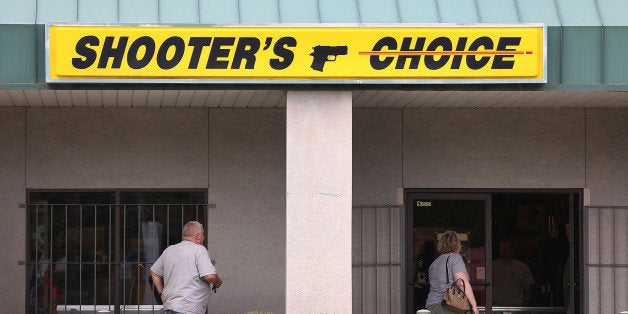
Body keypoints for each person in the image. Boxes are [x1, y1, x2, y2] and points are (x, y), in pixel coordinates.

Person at [150, 221, 223, 314]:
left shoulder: (169, 250)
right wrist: (218, 282)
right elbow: (210, 276)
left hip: (170, 307)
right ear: (197, 236)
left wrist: (161, 293)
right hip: (188, 309)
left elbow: (154, 271)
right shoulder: (199, 249)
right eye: (203, 234)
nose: (204, 237)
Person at [425, 230, 479, 314]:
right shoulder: (455, 258)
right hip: (447, 306)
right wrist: (474, 306)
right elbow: (461, 282)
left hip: (432, 306)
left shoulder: (434, 263)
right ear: (457, 244)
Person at [492, 238, 534, 307]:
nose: (503, 251)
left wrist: (523, 307)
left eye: (506, 249)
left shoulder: (522, 267)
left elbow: (529, 289)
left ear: (513, 251)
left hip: (515, 309)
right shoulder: (491, 266)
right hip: (495, 309)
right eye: (501, 249)